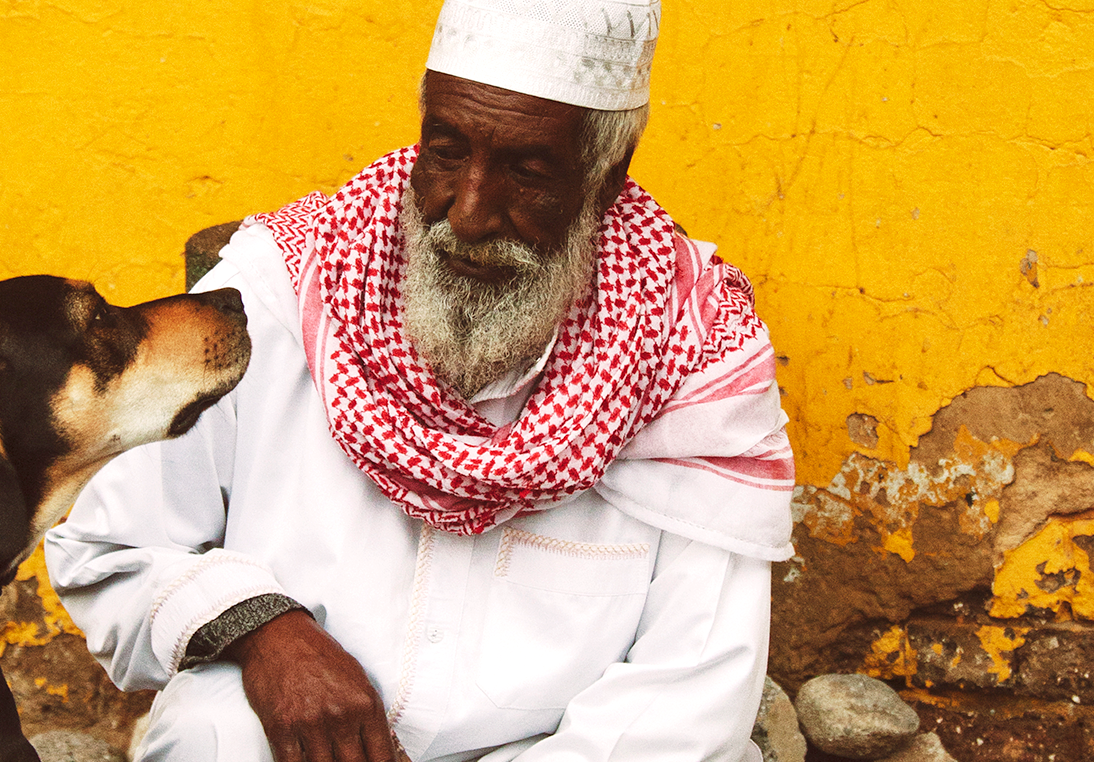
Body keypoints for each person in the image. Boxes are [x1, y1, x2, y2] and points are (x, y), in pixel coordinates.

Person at [44, 1, 796, 760]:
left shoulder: (692, 353)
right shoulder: (285, 293)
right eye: (446, 152)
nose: (468, 214)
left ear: (606, 175)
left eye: (527, 172)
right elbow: (111, 552)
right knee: (217, 728)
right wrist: (258, 627)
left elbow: (692, 697)